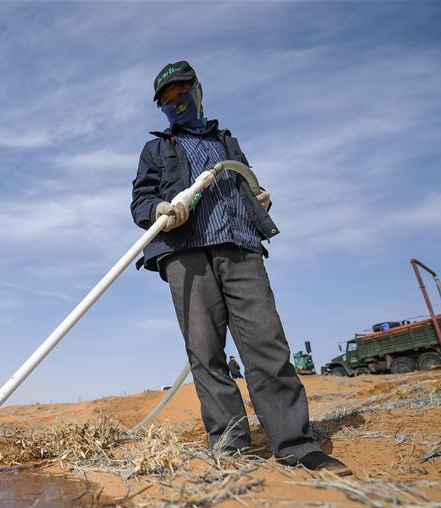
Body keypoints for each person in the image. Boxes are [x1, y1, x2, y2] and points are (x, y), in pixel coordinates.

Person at [130, 60, 350, 475]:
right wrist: (161, 207)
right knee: (206, 353)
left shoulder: (227, 145)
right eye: (167, 100)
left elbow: (247, 181)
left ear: (197, 91)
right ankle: (230, 448)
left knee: (266, 344)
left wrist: (260, 197)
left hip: (240, 247)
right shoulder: (156, 149)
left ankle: (297, 445)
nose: (176, 104)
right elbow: (139, 200)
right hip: (185, 254)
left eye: (181, 94)